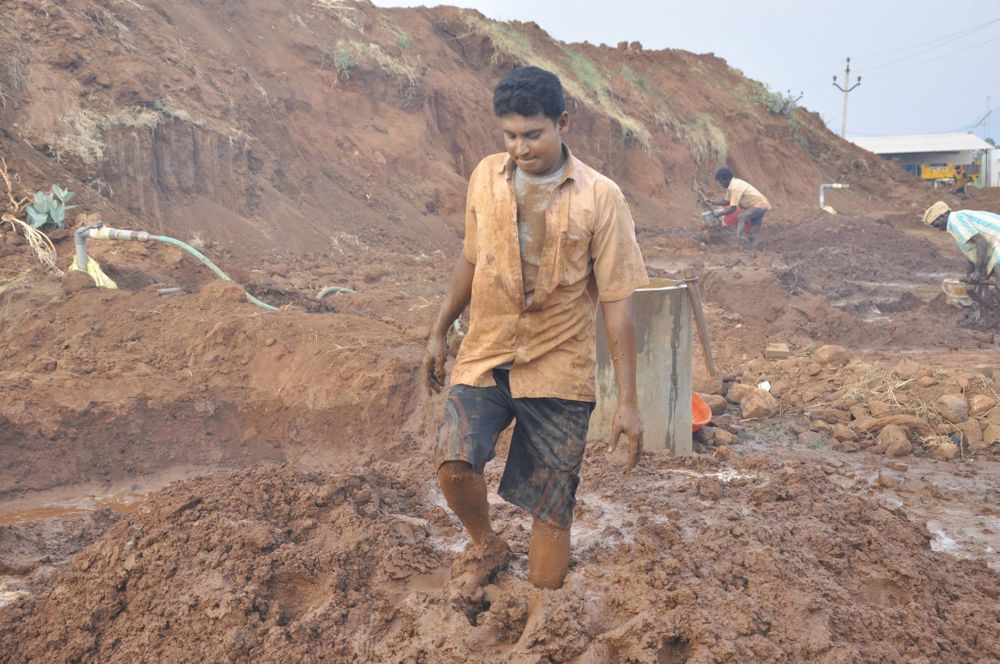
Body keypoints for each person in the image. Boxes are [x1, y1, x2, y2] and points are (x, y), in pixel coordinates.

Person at [421, 66, 648, 596]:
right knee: (453, 462)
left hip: (559, 367)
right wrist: (439, 331)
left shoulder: (602, 197)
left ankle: (543, 611)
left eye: (532, 134)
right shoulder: (485, 178)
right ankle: (486, 544)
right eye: (510, 135)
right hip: (487, 353)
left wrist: (628, 402)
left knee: (550, 507)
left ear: (562, 123)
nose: (520, 148)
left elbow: (617, 306)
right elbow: (470, 259)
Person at [923, 201, 1000, 304]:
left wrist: (977, 272)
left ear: (942, 216)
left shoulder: (955, 220)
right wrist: (970, 276)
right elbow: (972, 255)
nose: (938, 229)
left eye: (936, 225)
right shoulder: (958, 219)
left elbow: (981, 242)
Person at [707, 168, 771, 248]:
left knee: (742, 217)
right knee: (752, 234)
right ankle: (753, 249)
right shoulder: (732, 186)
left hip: (758, 205)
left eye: (721, 182)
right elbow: (727, 202)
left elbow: (733, 208)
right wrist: (713, 202)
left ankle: (737, 241)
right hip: (762, 204)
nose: (720, 184)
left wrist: (720, 214)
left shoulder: (735, 187)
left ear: (725, 180)